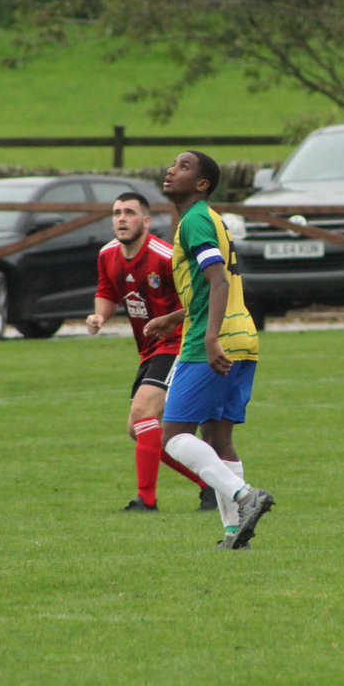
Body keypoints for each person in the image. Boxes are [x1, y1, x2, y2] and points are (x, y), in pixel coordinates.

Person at [152, 150, 274, 550]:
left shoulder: (195, 220)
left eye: (184, 167)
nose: (172, 170)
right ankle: (234, 532)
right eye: (173, 164)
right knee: (218, 437)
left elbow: (217, 281)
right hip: (243, 336)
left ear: (202, 185)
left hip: (213, 338)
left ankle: (245, 496)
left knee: (172, 435)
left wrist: (208, 337)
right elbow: (210, 288)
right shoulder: (213, 219)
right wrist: (174, 318)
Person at [86, 191, 216, 513]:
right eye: (116, 213)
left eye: (129, 213)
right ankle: (211, 485)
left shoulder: (164, 256)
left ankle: (146, 500)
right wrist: (100, 315)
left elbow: (200, 297)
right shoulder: (107, 255)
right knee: (142, 431)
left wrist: (176, 324)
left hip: (179, 344)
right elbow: (106, 290)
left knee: (143, 414)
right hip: (149, 349)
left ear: (145, 221)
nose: (121, 219)